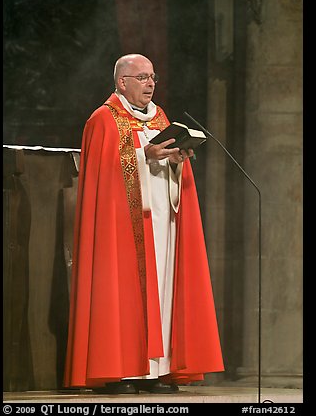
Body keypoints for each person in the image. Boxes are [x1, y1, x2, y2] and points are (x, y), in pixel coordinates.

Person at [63, 53, 224, 394]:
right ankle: (119, 371)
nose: (150, 83)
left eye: (153, 77)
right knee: (120, 296)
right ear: (122, 82)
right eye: (142, 77)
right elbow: (100, 177)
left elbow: (165, 168)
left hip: (163, 224)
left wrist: (177, 160)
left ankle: (156, 372)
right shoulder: (103, 119)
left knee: (164, 292)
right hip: (121, 228)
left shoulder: (160, 117)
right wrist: (142, 156)